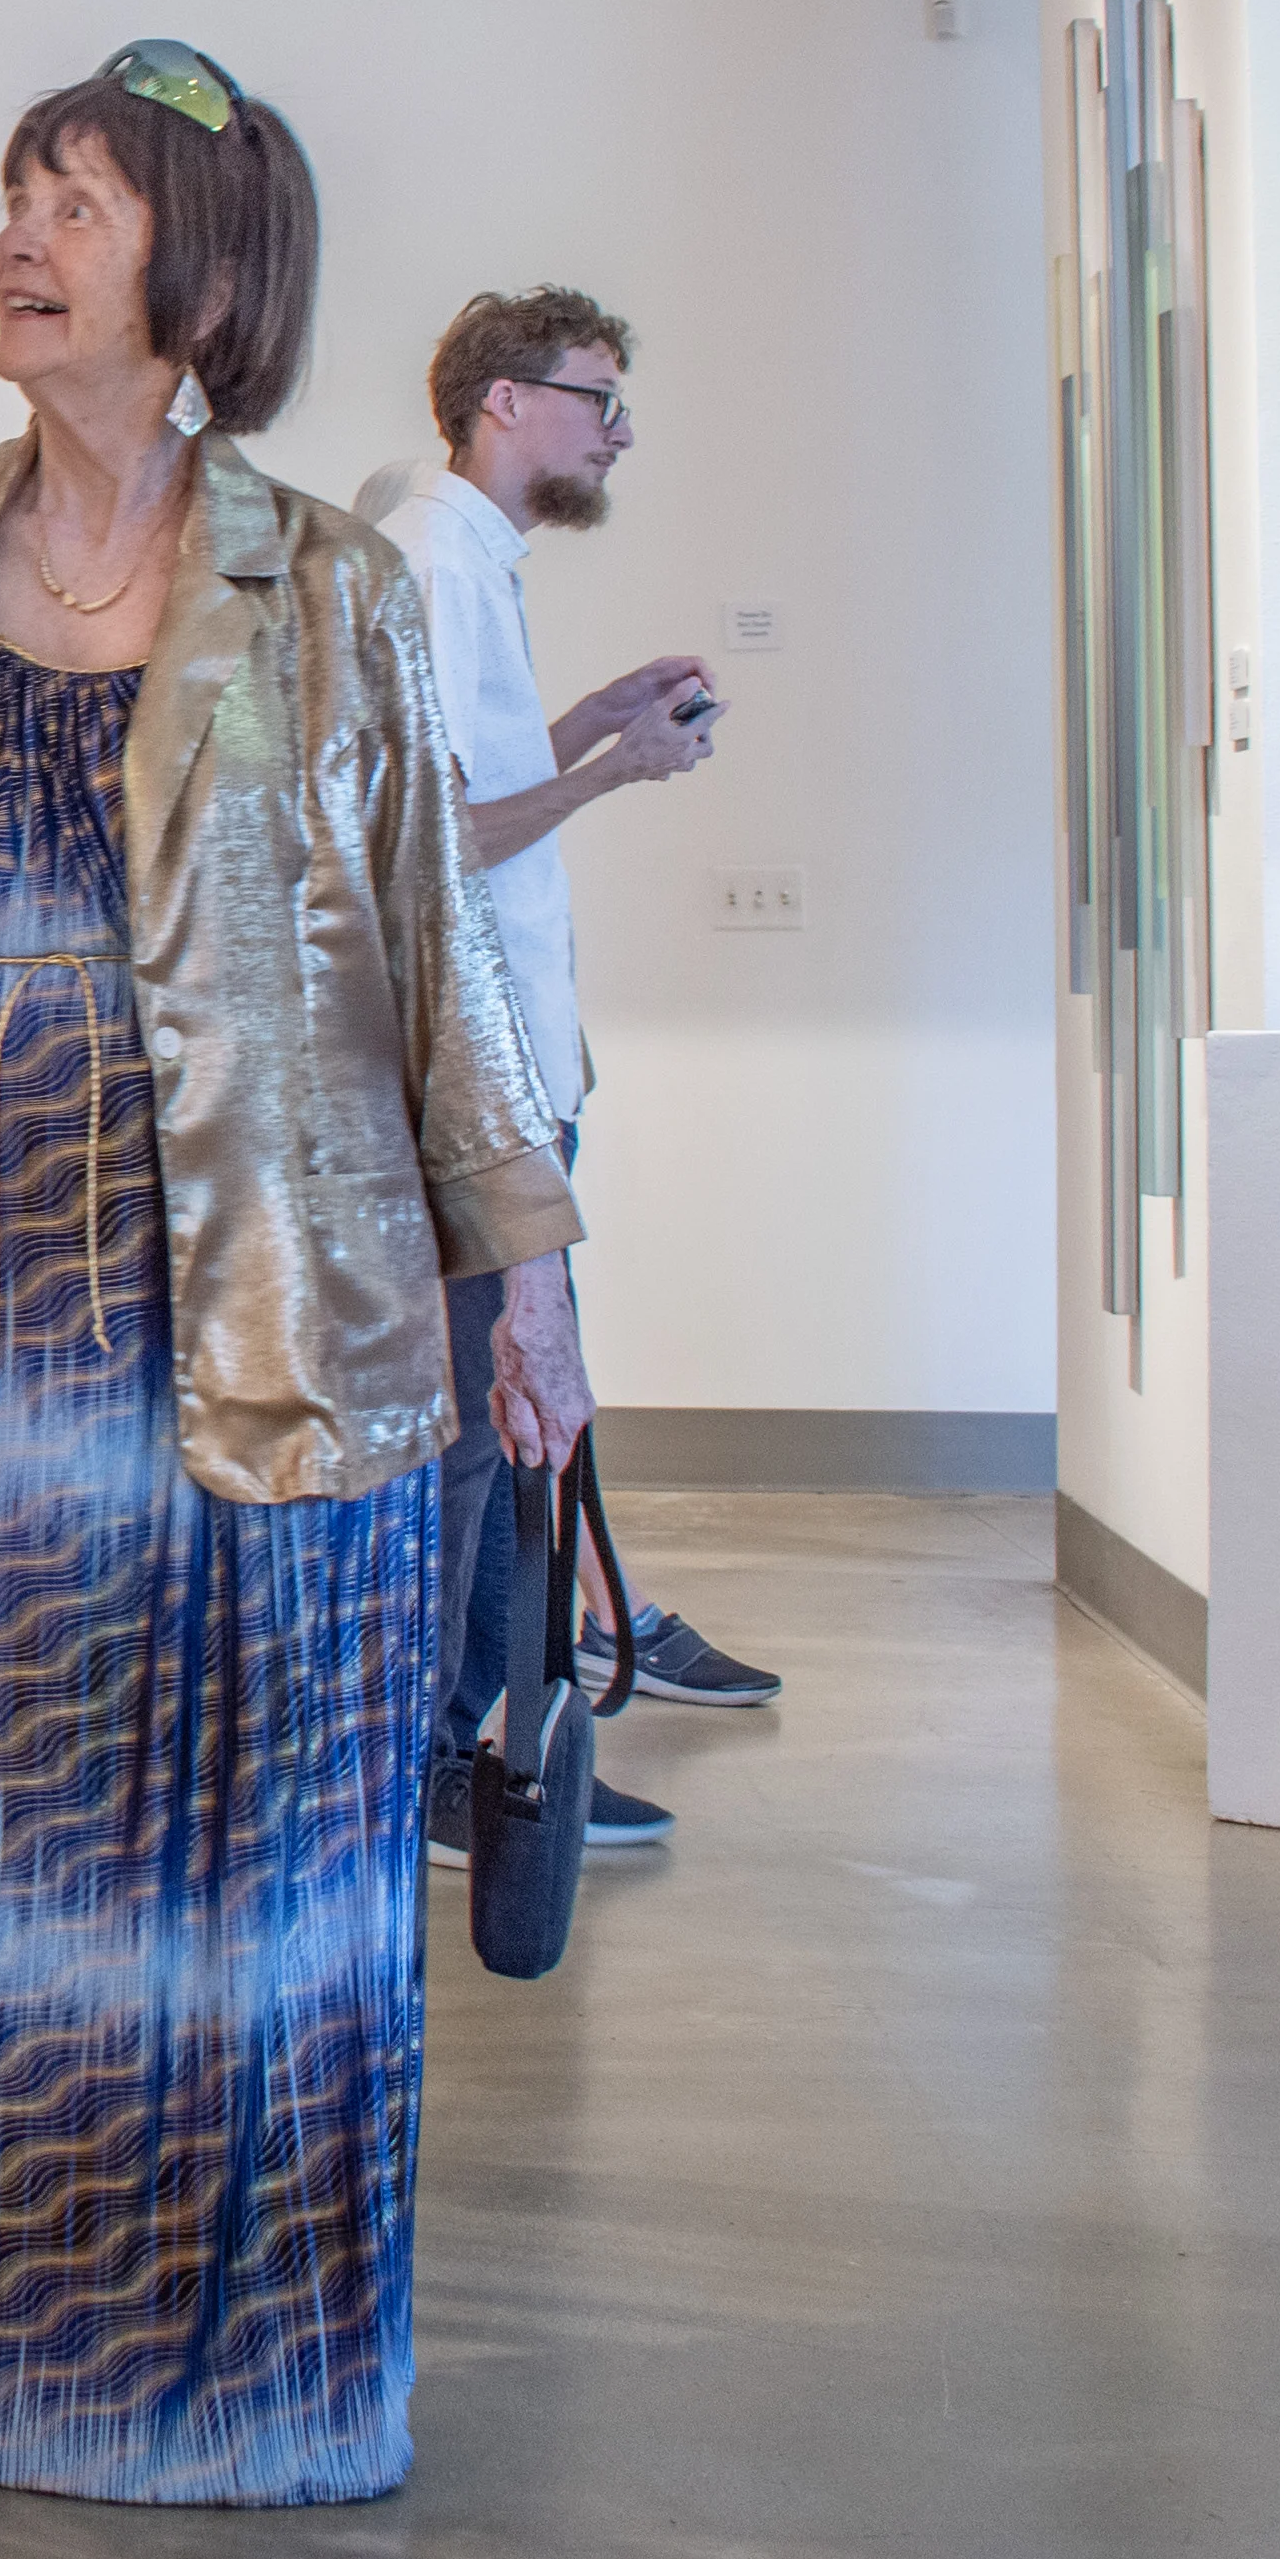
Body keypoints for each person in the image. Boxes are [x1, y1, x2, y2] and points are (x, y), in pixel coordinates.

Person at [0, 40, 593, 2507]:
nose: (19, 233)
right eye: (12, 191)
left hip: (249, 1307)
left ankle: (219, 2391)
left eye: (72, 198)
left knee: (231, 1855)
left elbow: (434, 949)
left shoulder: (338, 584)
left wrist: (537, 1282)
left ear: (199, 262)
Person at [367, 289, 784, 1884]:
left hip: (521, 1062)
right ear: (494, 402)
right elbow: (419, 844)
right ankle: (446, 1764)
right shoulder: (421, 561)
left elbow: (466, 790)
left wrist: (590, 724)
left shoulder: (470, 564)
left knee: (506, 1423)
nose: (614, 428)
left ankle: (484, 1745)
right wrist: (619, 771)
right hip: (479, 1076)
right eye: (592, 396)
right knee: (485, 1426)